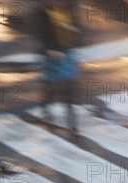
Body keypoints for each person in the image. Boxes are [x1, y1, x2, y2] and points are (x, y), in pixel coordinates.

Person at [40, 0, 82, 132]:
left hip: (67, 54)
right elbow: (42, 35)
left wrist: (74, 30)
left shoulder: (69, 9)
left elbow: (77, 28)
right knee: (51, 88)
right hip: (52, 55)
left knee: (69, 90)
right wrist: (49, 50)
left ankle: (73, 124)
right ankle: (47, 111)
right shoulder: (44, 13)